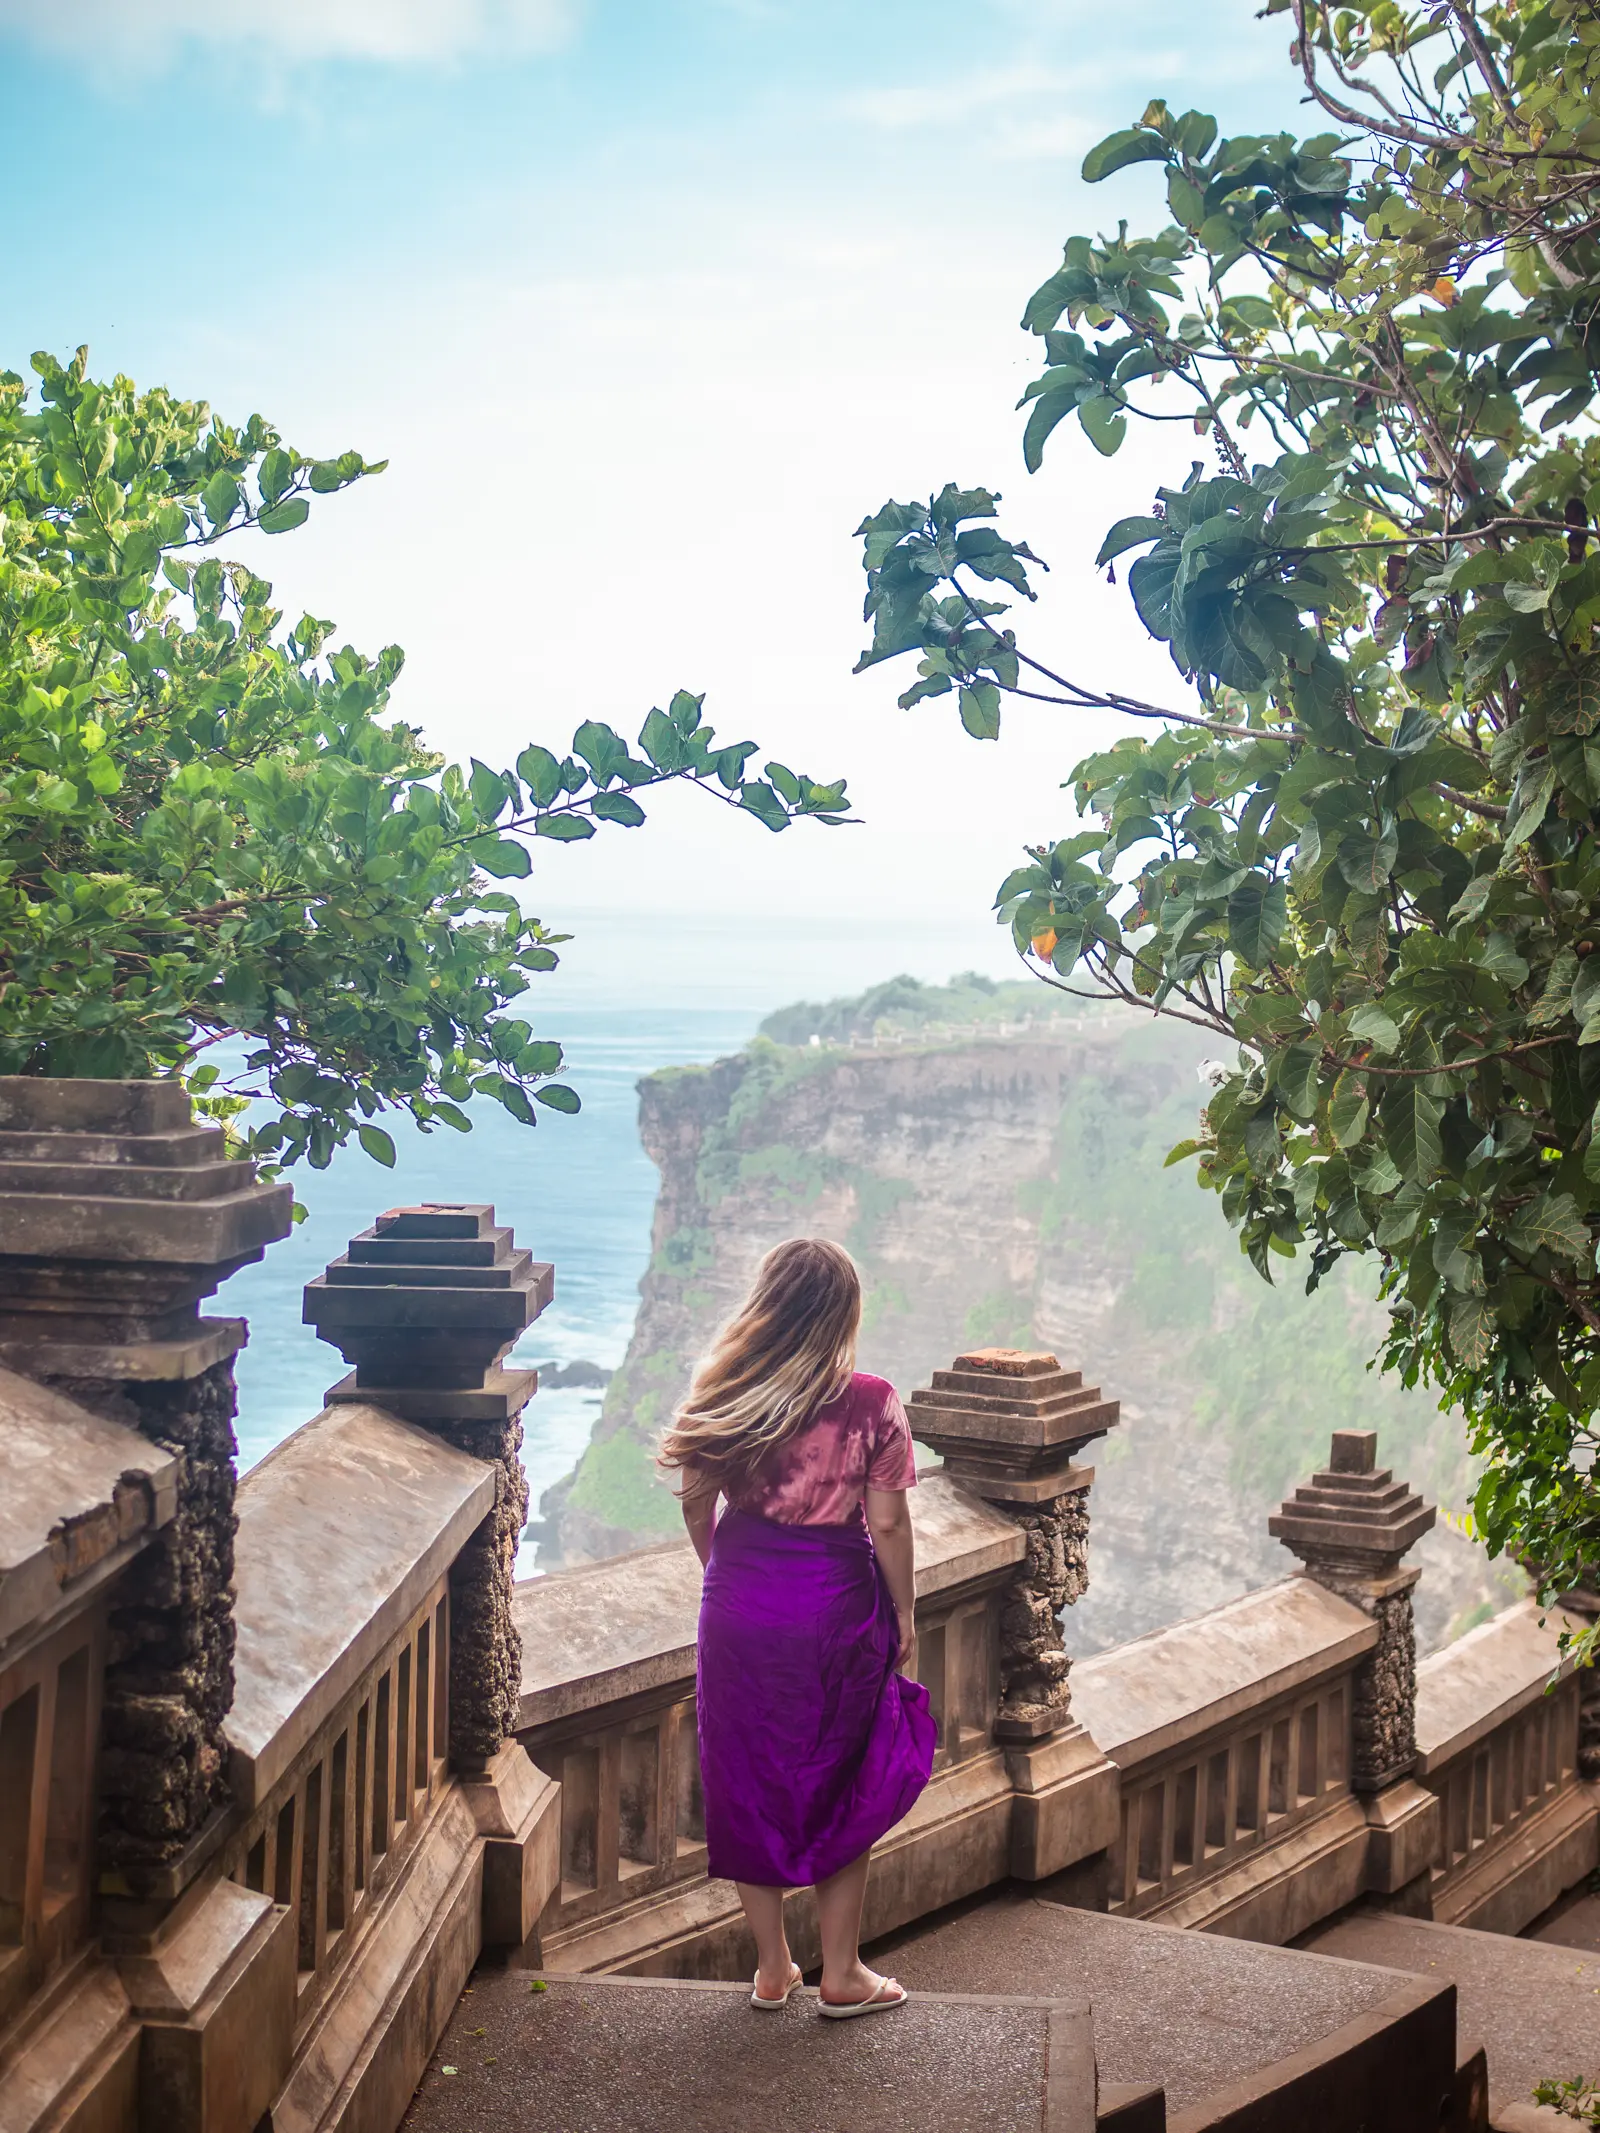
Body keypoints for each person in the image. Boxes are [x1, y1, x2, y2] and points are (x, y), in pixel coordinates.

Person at [659, 1237, 936, 2018]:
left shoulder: (725, 1391)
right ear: (843, 1312)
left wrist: (730, 1577)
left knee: (745, 1771)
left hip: (740, 1601)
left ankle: (774, 1965)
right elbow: (889, 1524)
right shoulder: (871, 1401)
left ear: (767, 1302)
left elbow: (693, 1503)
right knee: (842, 1771)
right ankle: (842, 1970)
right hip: (833, 1602)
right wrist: (905, 1612)